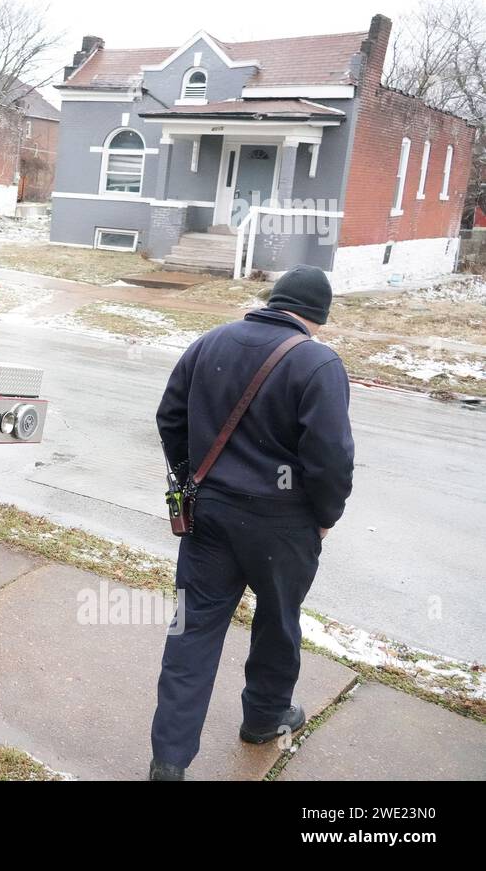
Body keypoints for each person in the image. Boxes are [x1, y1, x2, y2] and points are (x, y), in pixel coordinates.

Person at [149, 265, 355, 781]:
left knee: (193, 628)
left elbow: (169, 418)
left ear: (273, 300)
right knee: (278, 622)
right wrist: (326, 518)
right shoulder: (317, 362)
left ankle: (168, 761)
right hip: (283, 526)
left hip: (210, 515)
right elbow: (330, 459)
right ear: (315, 317)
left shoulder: (210, 342)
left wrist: (191, 476)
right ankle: (264, 720)